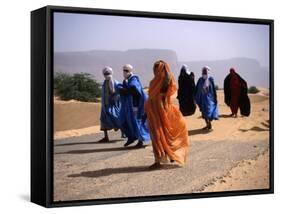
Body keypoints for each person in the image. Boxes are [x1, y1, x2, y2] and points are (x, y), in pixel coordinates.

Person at [144, 60, 189, 169]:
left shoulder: (165, 81)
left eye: (156, 68)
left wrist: (160, 98)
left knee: (160, 136)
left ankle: (159, 160)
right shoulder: (156, 81)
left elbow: (167, 94)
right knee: (160, 136)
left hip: (161, 112)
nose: (154, 70)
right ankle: (165, 156)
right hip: (155, 112)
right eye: (154, 68)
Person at [117, 64, 150, 147]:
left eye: (126, 70)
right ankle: (131, 138)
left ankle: (140, 141)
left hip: (136, 106)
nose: (124, 72)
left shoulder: (134, 79)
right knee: (124, 121)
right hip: (129, 107)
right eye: (124, 70)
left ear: (130, 71)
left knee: (137, 123)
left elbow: (135, 90)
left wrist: (124, 90)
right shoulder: (127, 80)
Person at [99, 66, 121, 142]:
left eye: (108, 73)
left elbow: (118, 94)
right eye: (105, 73)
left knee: (117, 118)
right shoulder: (104, 83)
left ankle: (125, 132)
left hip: (113, 106)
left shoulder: (115, 82)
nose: (106, 74)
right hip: (105, 105)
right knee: (103, 120)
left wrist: (113, 99)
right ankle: (106, 137)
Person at [195, 66, 219, 130]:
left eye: (205, 72)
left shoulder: (210, 79)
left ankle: (209, 124)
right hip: (202, 99)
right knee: (204, 112)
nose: (204, 74)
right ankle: (207, 124)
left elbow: (213, 89)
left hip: (209, 99)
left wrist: (215, 97)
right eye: (203, 72)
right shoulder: (200, 80)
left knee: (209, 112)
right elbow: (197, 89)